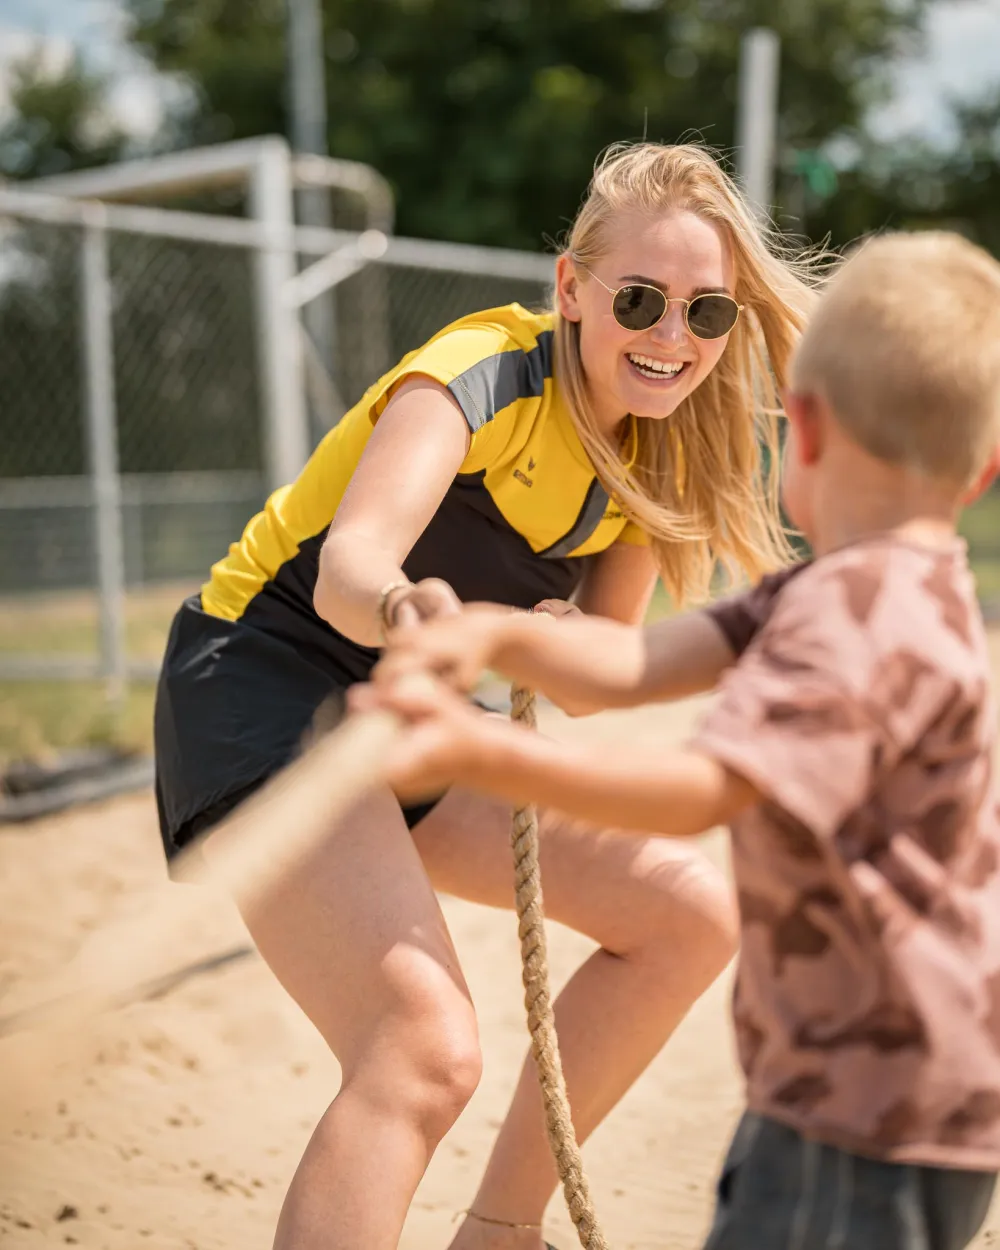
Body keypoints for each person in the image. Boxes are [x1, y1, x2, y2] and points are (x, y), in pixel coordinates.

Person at [153, 140, 821, 1250]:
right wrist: (418, 616)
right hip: (263, 679)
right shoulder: (479, 371)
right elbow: (351, 566)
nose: (672, 338)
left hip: (409, 719)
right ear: (571, 287)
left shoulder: (661, 452)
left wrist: (541, 638)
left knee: (690, 914)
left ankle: (500, 1231)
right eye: (642, 300)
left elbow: (601, 664)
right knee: (422, 1045)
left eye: (707, 313)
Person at [361, 229, 1000, 1250]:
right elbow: (634, 666)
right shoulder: (887, 584)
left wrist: (479, 754)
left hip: (868, 1106)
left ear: (807, 429)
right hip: (885, 1092)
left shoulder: (860, 612)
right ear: (980, 474)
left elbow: (706, 789)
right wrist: (492, 629)